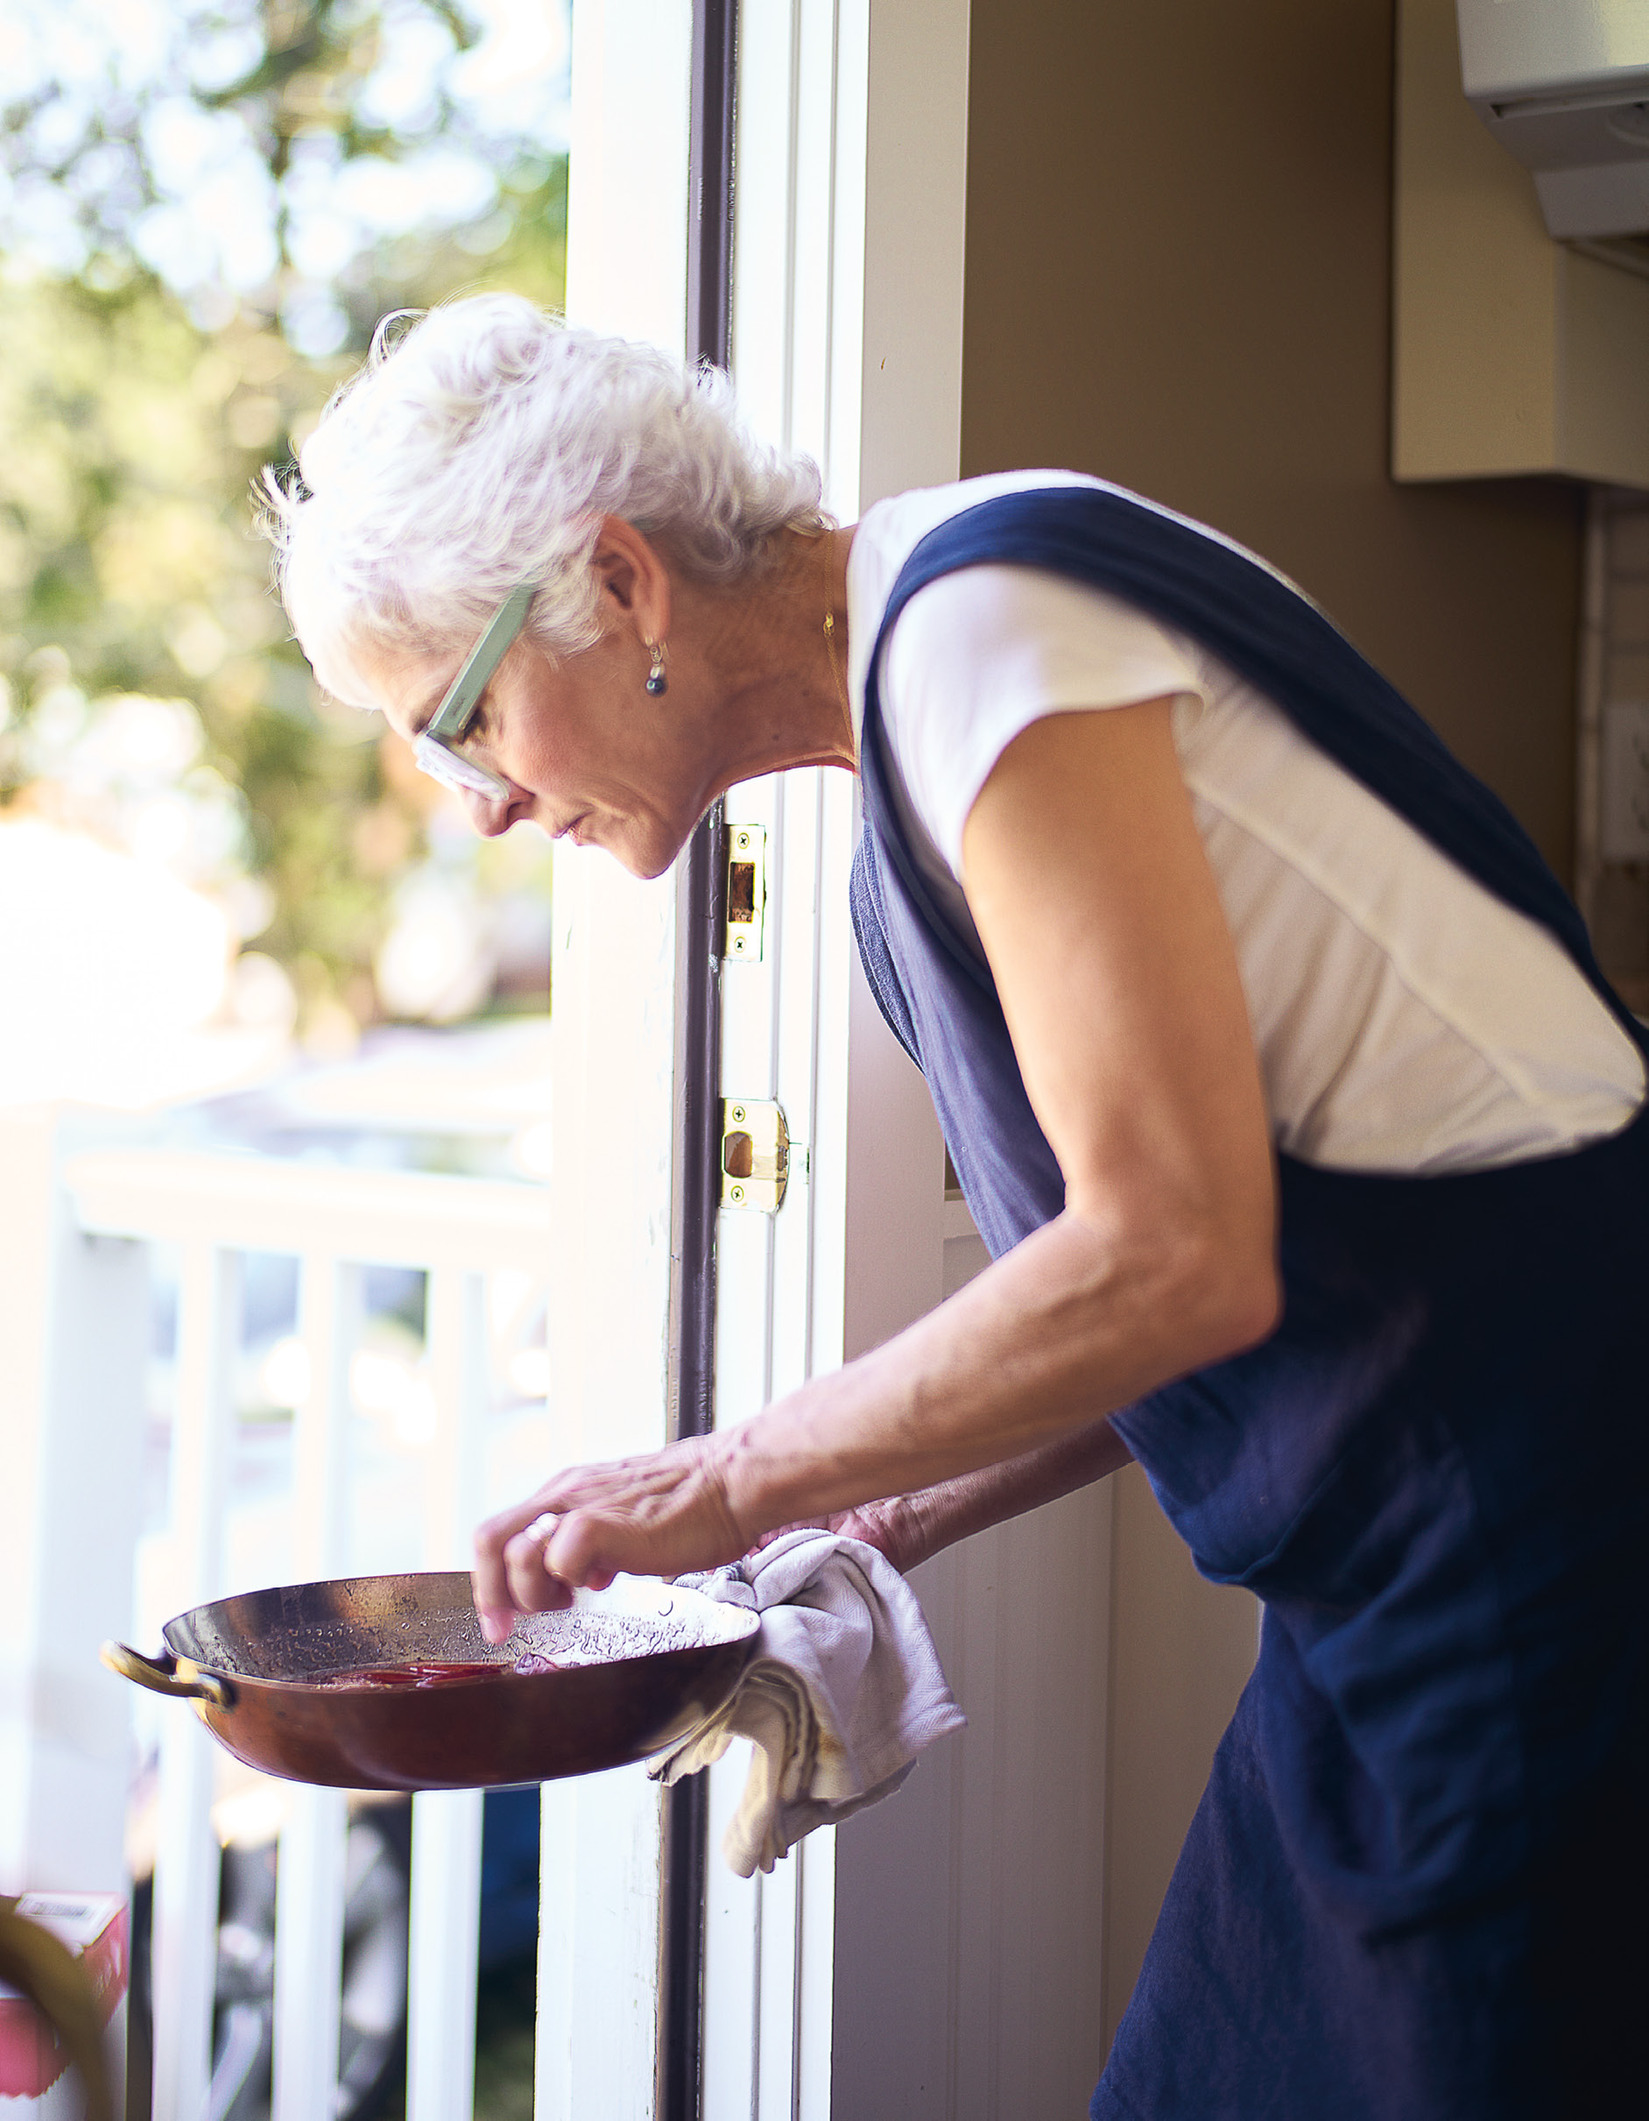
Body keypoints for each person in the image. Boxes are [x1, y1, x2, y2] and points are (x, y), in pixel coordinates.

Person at [264, 293, 1648, 2121]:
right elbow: (1146, 1301)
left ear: (617, 581)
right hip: (1398, 1567)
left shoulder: (986, 627)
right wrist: (862, 1527)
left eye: (458, 722)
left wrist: (722, 1478)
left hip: (1545, 1538)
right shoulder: (901, 804)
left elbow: (1172, 1253)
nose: (480, 808)